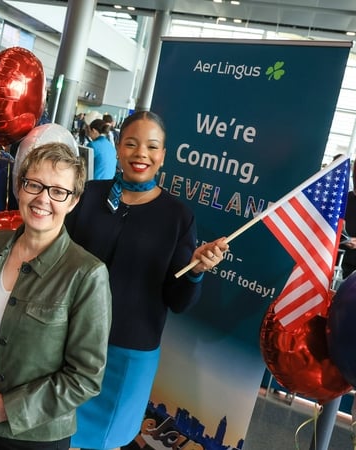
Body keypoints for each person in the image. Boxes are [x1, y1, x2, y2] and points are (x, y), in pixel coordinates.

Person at [65, 110, 229, 450]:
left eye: (152, 147)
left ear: (163, 156)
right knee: (55, 434)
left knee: (106, 441)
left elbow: (179, 300)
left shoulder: (177, 217)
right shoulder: (88, 195)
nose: (141, 154)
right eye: (131, 144)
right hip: (67, 340)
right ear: (118, 147)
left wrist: (196, 271)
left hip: (128, 354)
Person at [0, 142, 112, 450]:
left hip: (32, 435)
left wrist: (7, 408)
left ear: (73, 201)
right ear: (20, 187)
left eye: (58, 191)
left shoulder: (87, 274)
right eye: (34, 184)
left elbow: (86, 377)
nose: (42, 199)